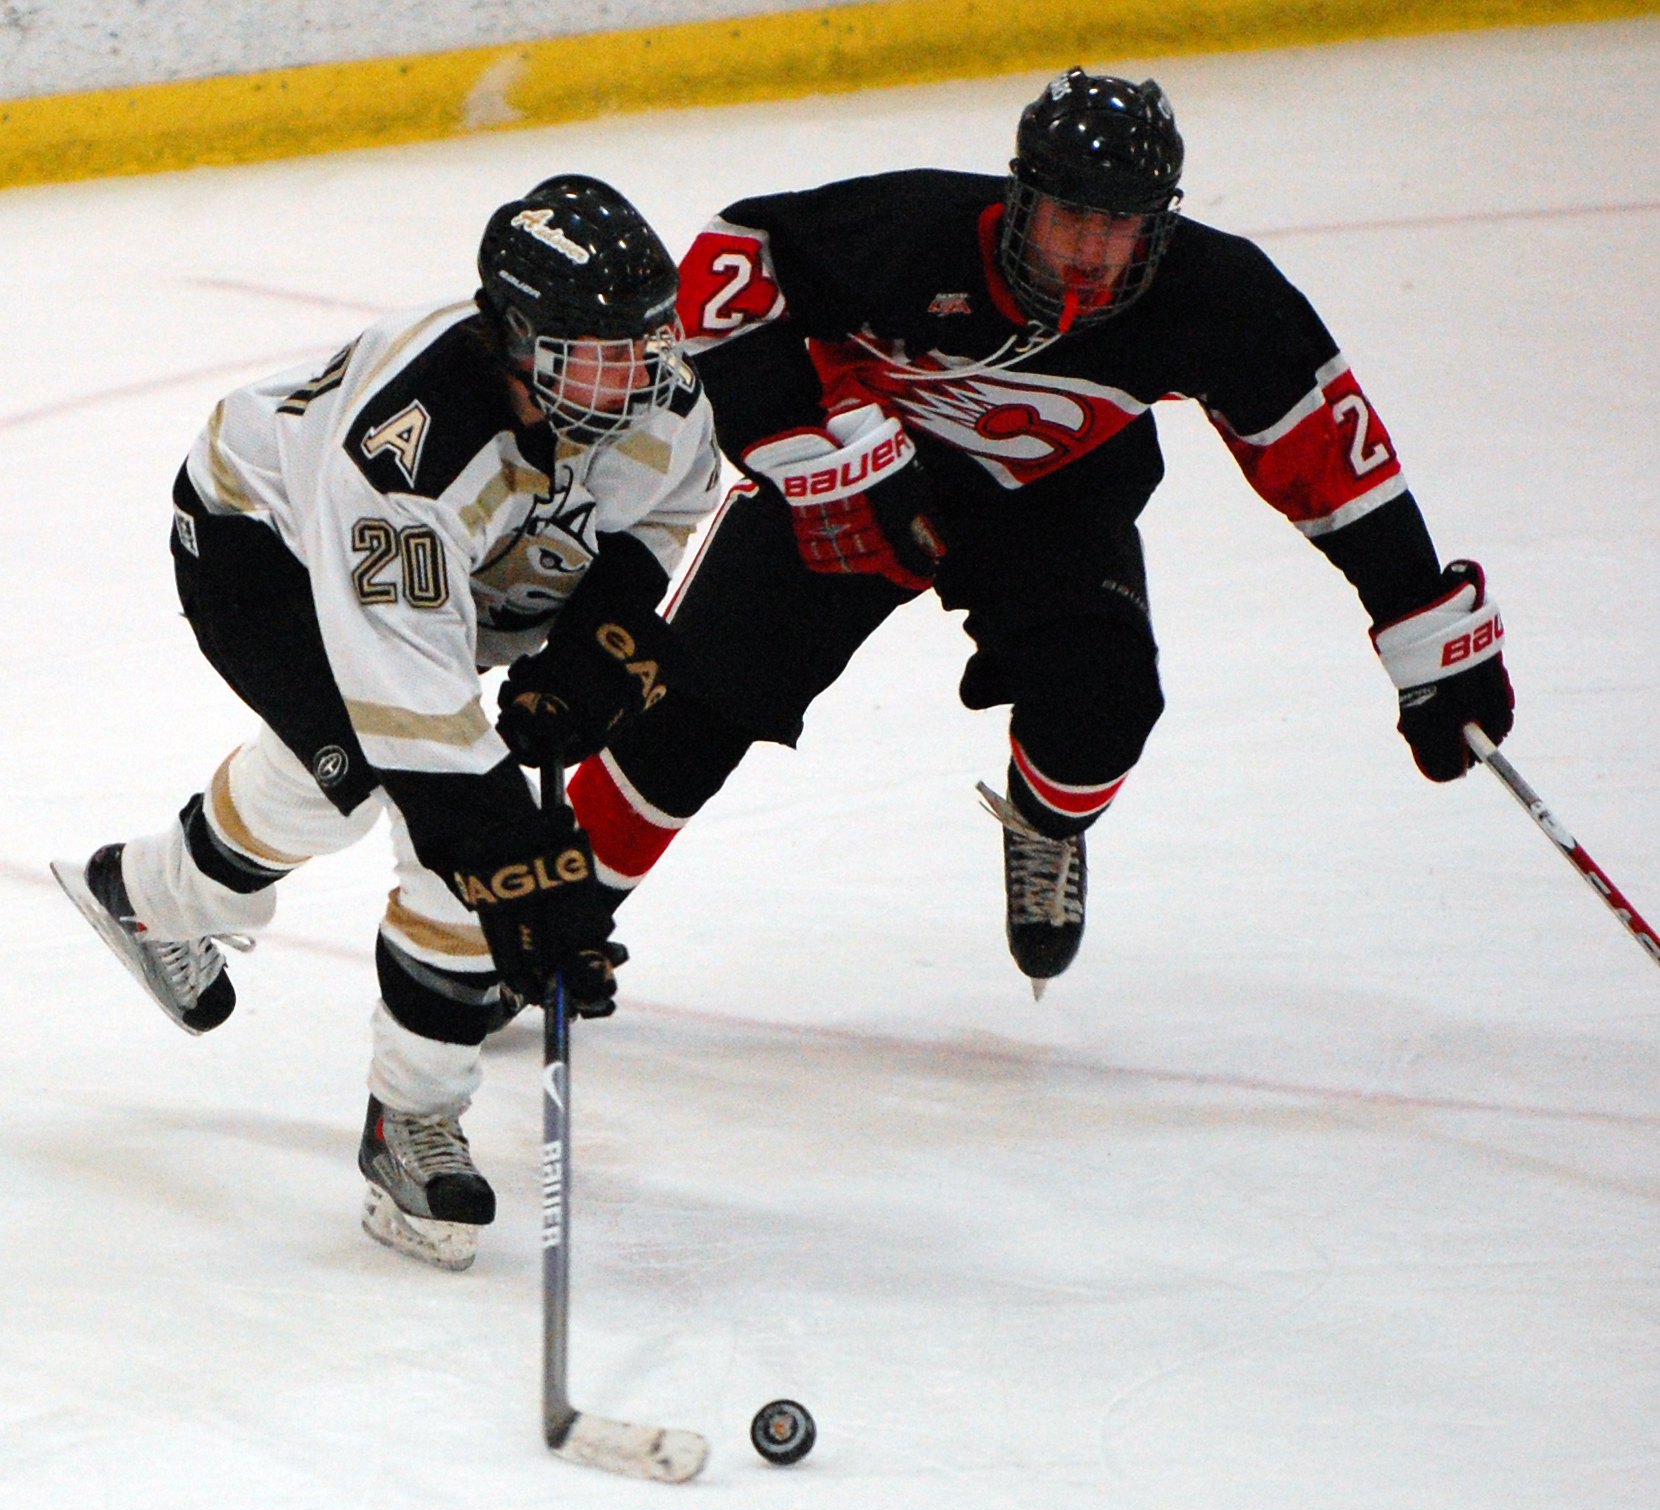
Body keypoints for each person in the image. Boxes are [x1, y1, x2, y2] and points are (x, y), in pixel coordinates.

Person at [531, 70, 1515, 997]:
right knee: (695, 702)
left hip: (1053, 498)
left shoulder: (1218, 297)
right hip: (866, 475)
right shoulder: (914, 231)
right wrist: (811, 450)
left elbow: (1327, 458)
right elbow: (734, 261)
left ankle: (1045, 826)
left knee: (1104, 708)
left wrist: (1416, 616)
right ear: (1023, 200)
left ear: (1156, 226)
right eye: (1070, 217)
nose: (1089, 249)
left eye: (1117, 225)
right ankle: (542, 914)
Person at [52, 175, 722, 1271]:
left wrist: (599, 636)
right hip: (267, 545)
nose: (635, 377)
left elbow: (671, 505)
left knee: (439, 811)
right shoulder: (403, 458)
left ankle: (151, 893)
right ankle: (409, 1121)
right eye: (597, 353)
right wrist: (524, 872)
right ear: (516, 339)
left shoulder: (662, 393)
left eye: (645, 344)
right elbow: (420, 730)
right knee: (387, 791)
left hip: (472, 580)